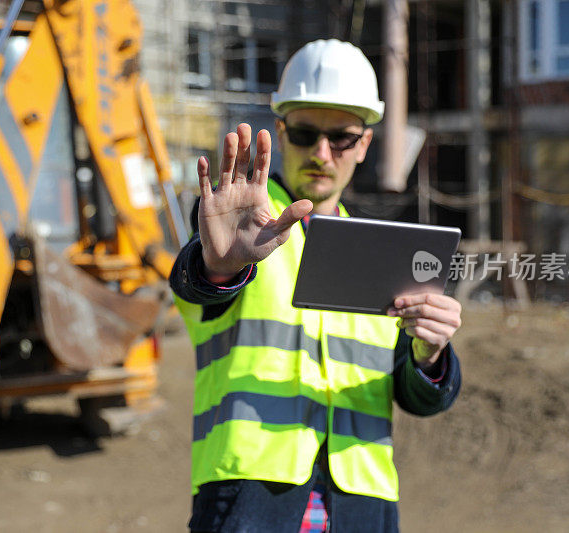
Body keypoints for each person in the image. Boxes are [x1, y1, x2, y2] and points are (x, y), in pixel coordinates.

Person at [170, 39, 462, 533]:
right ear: (281, 133)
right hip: (248, 496)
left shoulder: (384, 254)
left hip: (363, 501)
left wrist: (430, 356)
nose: (322, 153)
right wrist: (217, 265)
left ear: (365, 144)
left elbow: (419, 398)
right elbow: (197, 289)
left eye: (342, 138)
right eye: (305, 133)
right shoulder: (240, 236)